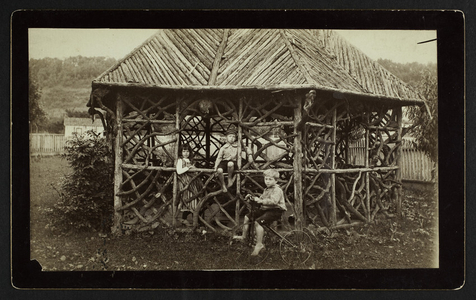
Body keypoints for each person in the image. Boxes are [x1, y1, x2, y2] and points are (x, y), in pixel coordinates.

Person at [233, 169, 287, 256]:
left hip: (276, 211)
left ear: (276, 180)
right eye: (266, 179)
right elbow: (261, 199)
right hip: (266, 209)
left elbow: (273, 201)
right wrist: (253, 198)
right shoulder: (266, 189)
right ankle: (244, 237)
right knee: (247, 217)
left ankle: (259, 244)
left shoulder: (277, 190)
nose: (267, 181)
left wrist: (261, 201)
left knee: (258, 223)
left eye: (270, 179)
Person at [214, 126, 253, 193]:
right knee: (219, 170)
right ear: (226, 137)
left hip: (233, 163)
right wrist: (215, 167)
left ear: (235, 138)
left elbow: (246, 148)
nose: (231, 138)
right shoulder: (223, 147)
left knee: (230, 163)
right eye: (230, 136)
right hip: (224, 162)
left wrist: (250, 155)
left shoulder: (238, 146)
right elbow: (219, 158)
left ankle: (229, 178)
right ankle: (223, 185)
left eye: (233, 136)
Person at [176, 144, 202, 226]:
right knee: (187, 199)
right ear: (181, 152)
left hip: (193, 182)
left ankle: (197, 220)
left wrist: (193, 168)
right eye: (184, 151)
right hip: (185, 183)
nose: (186, 153)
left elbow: (195, 171)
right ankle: (184, 219)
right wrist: (188, 168)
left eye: (187, 151)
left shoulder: (191, 161)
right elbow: (179, 171)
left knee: (195, 200)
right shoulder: (180, 160)